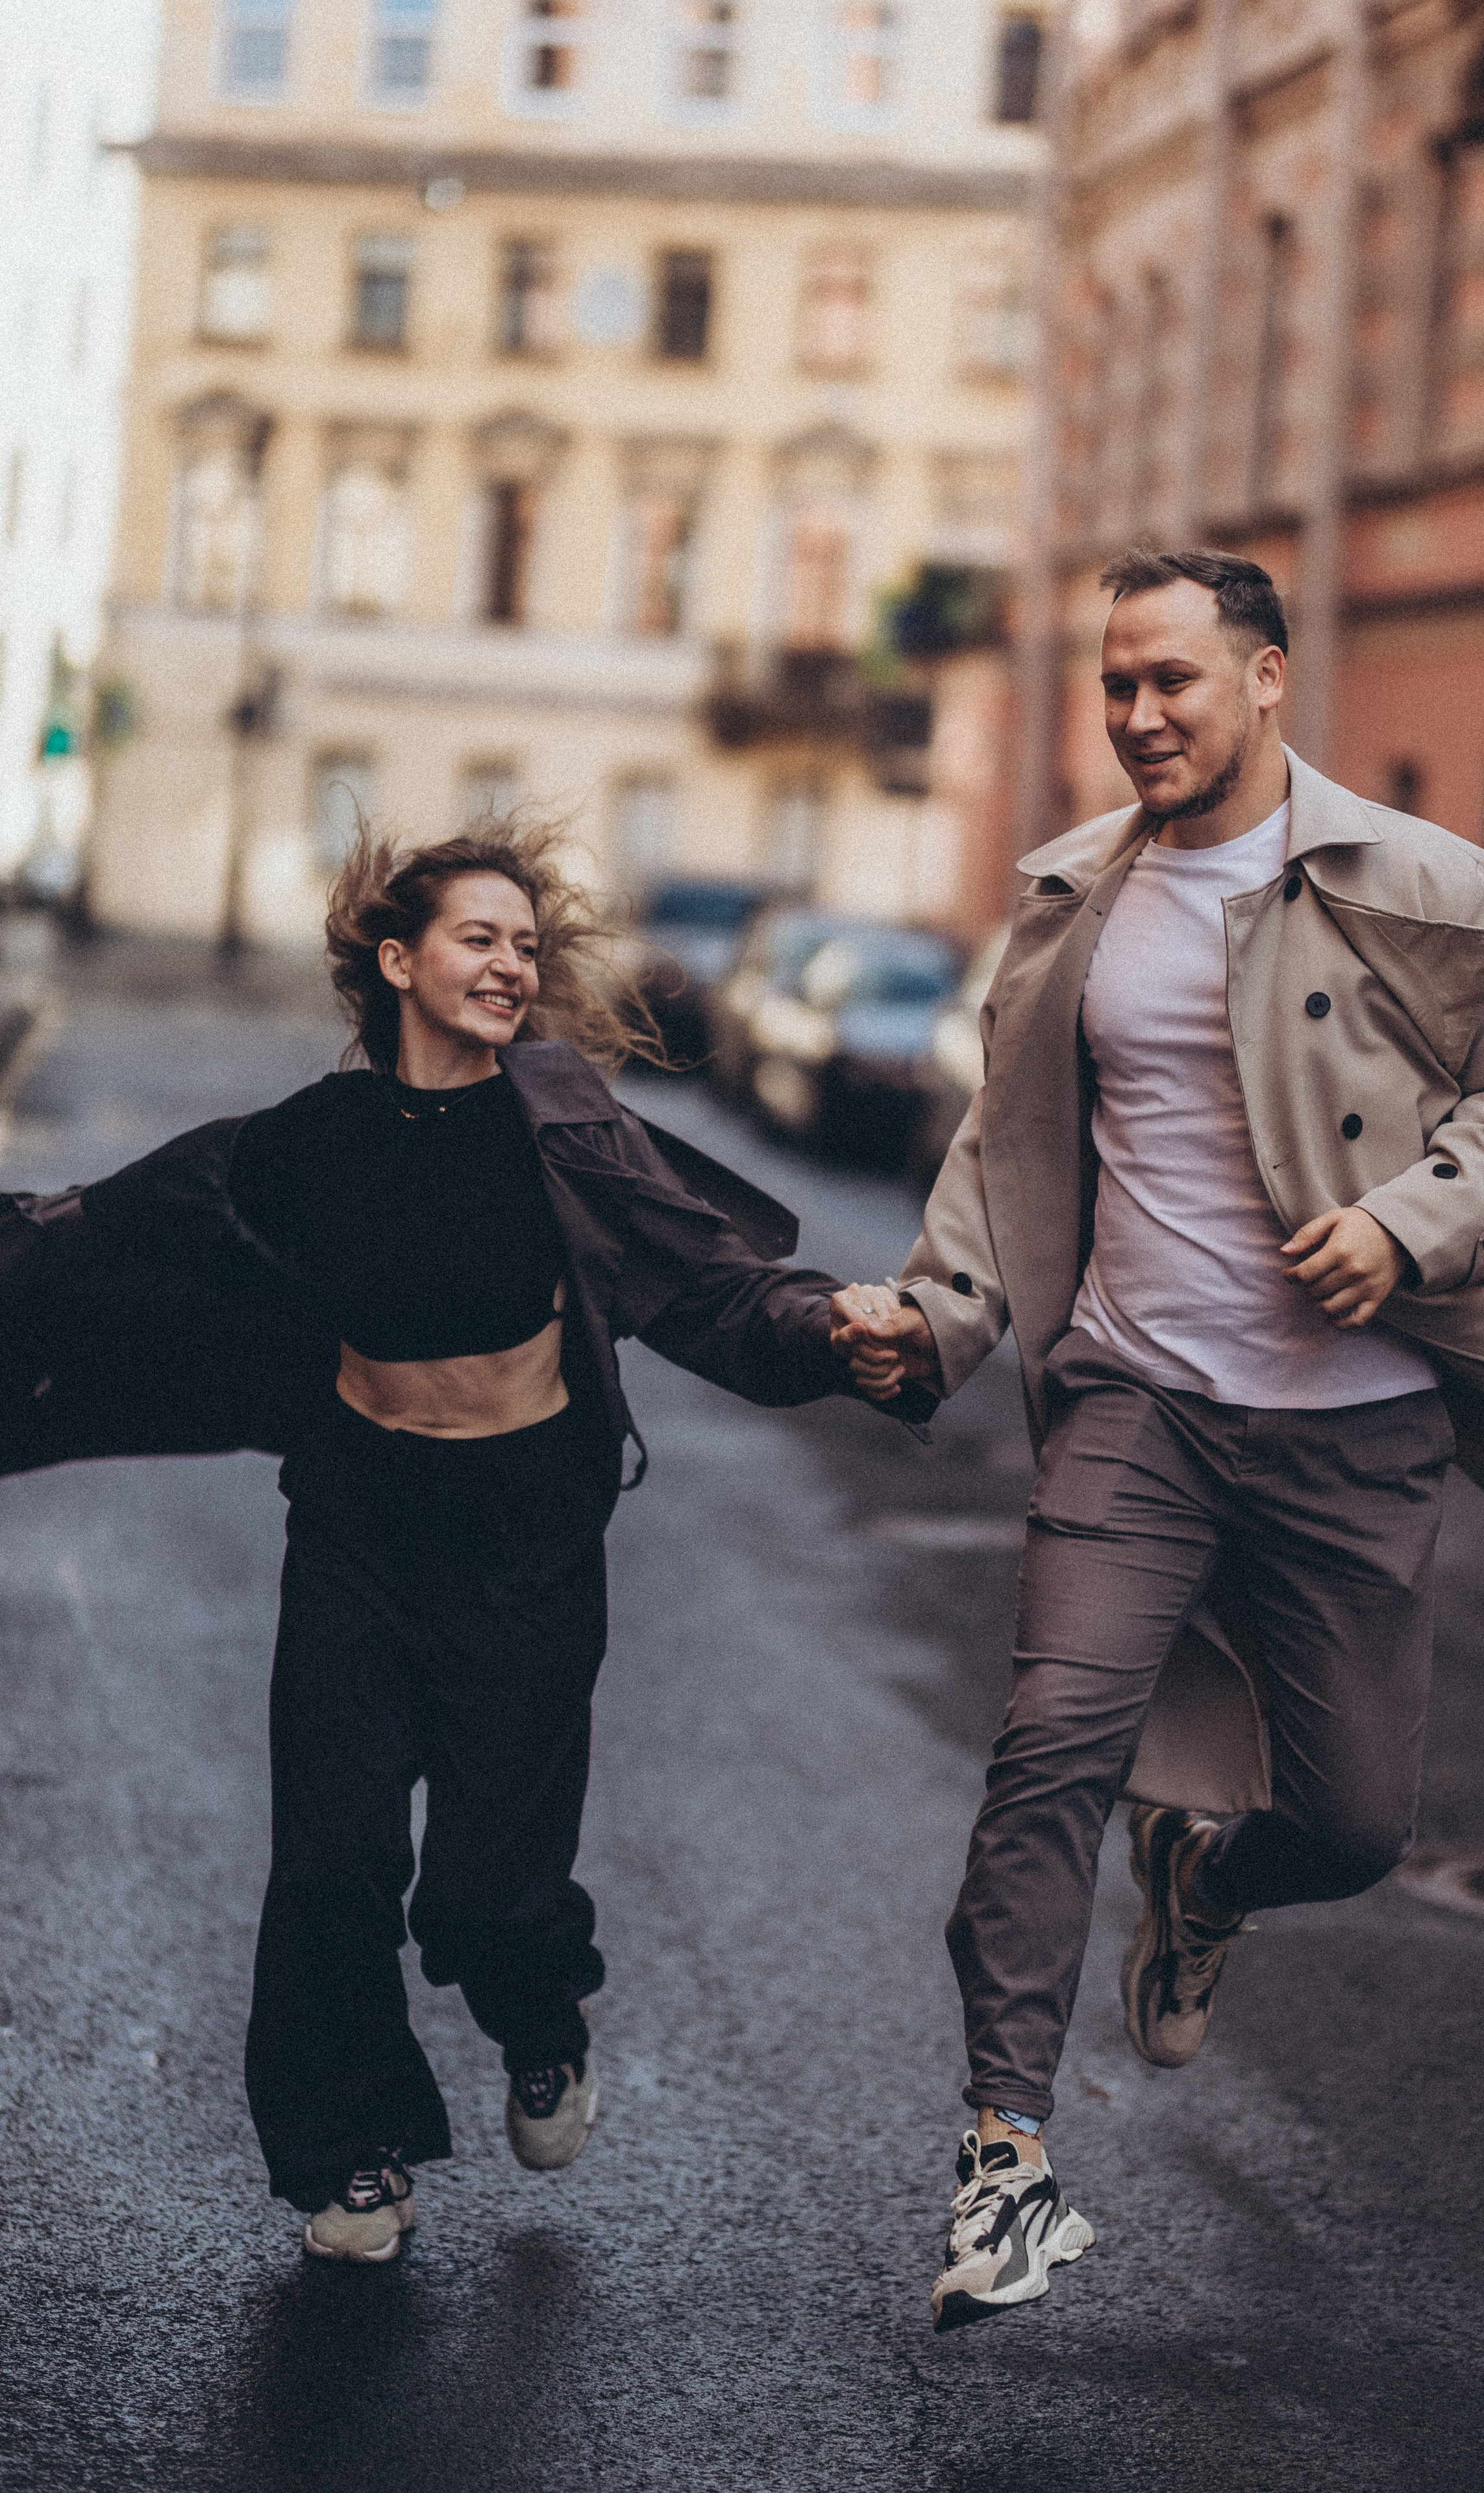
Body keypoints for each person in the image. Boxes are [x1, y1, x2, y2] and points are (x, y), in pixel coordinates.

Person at [828, 548, 1484, 2333]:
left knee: (1357, 1820)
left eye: (1174, 683)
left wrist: (1408, 1221)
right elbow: (1008, 1148)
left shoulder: (1419, 879)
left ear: (1270, 678)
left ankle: (1208, 1872)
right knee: (1049, 1750)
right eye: (1118, 685)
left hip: (1354, 1436)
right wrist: (940, 1316)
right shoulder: (1070, 897)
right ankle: (1005, 2160)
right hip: (1136, 1405)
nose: (1136, 715)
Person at [0, 820, 911, 2262]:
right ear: (398, 959)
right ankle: (348, 2154)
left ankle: (537, 2018)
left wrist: (829, 1328)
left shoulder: (563, 1135)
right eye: (478, 938)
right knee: (329, 1862)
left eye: (526, 946)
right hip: (360, 1517)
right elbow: (107, 1228)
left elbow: (710, 1281)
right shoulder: (313, 1139)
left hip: (526, 1533)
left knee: (487, 1884)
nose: (509, 964)